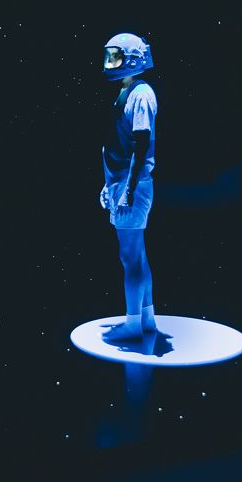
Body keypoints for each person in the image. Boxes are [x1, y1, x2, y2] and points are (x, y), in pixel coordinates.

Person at [98, 33, 158, 341]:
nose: (111, 63)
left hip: (130, 186)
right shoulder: (130, 90)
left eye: (116, 56)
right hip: (124, 183)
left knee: (130, 257)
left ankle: (133, 324)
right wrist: (111, 185)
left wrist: (128, 190)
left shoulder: (140, 94)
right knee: (137, 255)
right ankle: (146, 318)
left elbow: (141, 144)